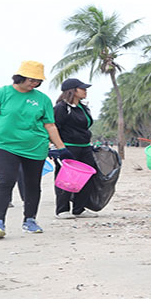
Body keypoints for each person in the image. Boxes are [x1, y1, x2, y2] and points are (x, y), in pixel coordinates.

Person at [0, 61, 73, 238]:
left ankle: (30, 220)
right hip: (6, 145)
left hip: (35, 147)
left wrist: (61, 148)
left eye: (37, 81)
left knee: (32, 184)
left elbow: (50, 126)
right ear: (20, 77)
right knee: (6, 181)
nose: (34, 83)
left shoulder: (42, 99)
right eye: (31, 79)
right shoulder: (0, 94)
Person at [53, 78, 98, 219]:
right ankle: (62, 209)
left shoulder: (83, 107)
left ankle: (79, 208)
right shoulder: (61, 107)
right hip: (67, 147)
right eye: (82, 88)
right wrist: (58, 148)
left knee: (90, 176)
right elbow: (54, 128)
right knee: (67, 178)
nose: (85, 91)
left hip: (85, 147)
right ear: (72, 90)